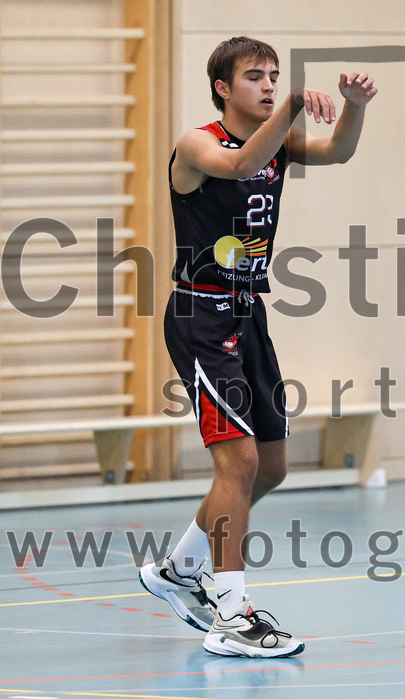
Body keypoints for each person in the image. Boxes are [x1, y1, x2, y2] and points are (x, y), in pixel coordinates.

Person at [139, 36, 377, 658]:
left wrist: (353, 106)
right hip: (199, 317)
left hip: (247, 316)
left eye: (274, 76)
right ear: (222, 87)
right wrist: (294, 103)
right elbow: (241, 165)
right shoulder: (197, 145)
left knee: (271, 466)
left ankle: (176, 570)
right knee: (237, 463)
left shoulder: (275, 146)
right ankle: (230, 611)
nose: (267, 84)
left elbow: (338, 150)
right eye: (254, 76)